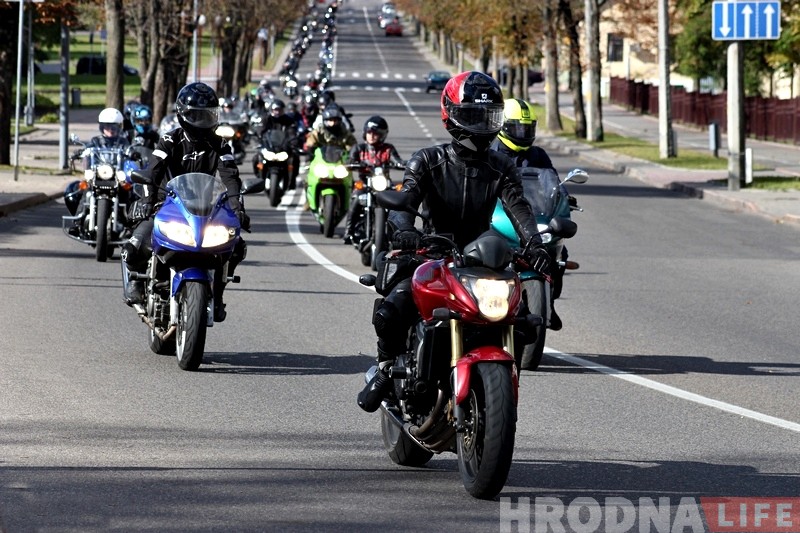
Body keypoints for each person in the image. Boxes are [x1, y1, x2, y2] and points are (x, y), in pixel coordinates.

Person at [357, 71, 551, 413]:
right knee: (392, 310)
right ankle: (388, 368)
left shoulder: (503, 166)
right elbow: (406, 201)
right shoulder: (427, 161)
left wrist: (535, 245)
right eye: (472, 116)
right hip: (431, 252)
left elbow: (518, 206)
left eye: (487, 117)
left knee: (521, 322)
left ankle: (496, 387)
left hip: (481, 259)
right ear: (452, 114)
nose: (480, 126)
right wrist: (404, 229)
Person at [121, 82, 249, 323]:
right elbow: (154, 170)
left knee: (236, 244)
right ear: (183, 114)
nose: (202, 121)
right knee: (135, 245)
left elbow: (230, 176)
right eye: (196, 115)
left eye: (207, 115)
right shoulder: (170, 140)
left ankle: (218, 293)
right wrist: (148, 201)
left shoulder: (220, 144)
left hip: (205, 206)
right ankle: (138, 281)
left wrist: (237, 208)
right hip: (167, 203)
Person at [490, 97, 568, 331]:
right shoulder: (491, 152)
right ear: (503, 127)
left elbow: (552, 182)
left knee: (560, 253)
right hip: (500, 217)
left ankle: (549, 302)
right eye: (517, 128)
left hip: (534, 217)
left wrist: (564, 196)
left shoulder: (538, 155)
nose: (522, 133)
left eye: (527, 128)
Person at [66, 108, 131, 236]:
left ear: (119, 127)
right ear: (102, 127)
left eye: (114, 127)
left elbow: (130, 151)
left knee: (127, 193)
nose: (111, 130)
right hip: (98, 174)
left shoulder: (123, 142)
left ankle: (130, 224)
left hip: (117, 175)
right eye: (107, 127)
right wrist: (81, 152)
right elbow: (88, 150)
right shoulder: (95, 141)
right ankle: (77, 223)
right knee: (86, 192)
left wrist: (134, 153)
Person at [343, 115, 406, 244]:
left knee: (398, 202)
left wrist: (403, 164)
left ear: (382, 135)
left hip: (384, 184)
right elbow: (349, 160)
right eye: (369, 133)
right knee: (356, 198)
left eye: (375, 133)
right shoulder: (359, 148)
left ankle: (399, 234)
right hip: (365, 184)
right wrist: (352, 164)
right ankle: (348, 232)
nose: (371, 136)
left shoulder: (388, 149)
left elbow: (397, 160)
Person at [302, 104, 357, 211]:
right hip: (321, 160)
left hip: (339, 162)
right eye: (330, 120)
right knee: (308, 180)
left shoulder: (345, 132)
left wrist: (352, 155)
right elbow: (310, 142)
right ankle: (308, 201)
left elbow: (353, 146)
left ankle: (349, 202)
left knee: (351, 182)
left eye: (335, 120)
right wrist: (308, 149)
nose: (332, 123)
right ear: (325, 121)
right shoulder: (319, 131)